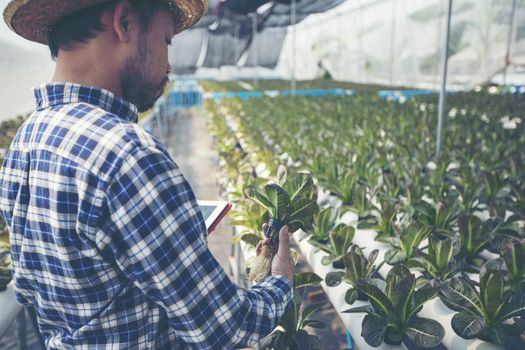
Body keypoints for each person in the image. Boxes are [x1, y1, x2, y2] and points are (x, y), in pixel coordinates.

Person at [0, 0, 294, 348]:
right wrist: (279, 281)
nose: (169, 64)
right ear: (124, 22)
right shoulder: (127, 152)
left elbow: (47, 285)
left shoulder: (27, 138)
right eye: (166, 40)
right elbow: (224, 328)